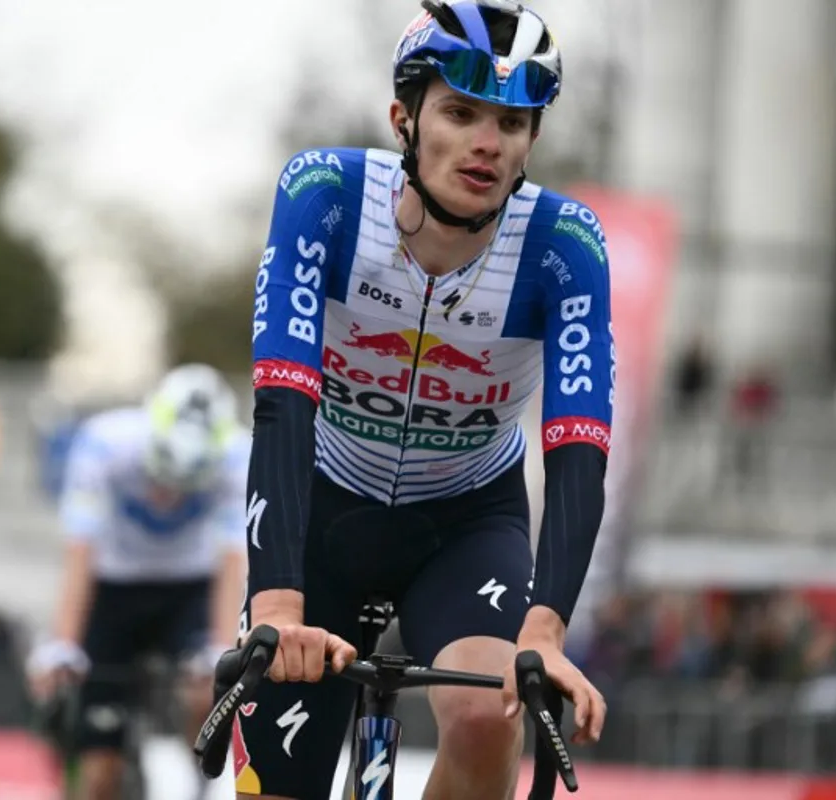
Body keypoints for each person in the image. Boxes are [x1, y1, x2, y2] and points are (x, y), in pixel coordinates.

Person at [237, 2, 613, 797]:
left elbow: (580, 449)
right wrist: (276, 604)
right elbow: (282, 405)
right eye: (461, 112)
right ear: (403, 119)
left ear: (531, 140)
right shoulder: (326, 194)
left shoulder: (564, 245)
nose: (488, 142)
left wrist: (545, 630)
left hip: (467, 521)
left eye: (512, 122)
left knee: (489, 714)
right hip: (325, 508)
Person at [26, 363, 249, 800]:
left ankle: (199, 780)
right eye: (160, 479)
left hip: (190, 587)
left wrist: (220, 649)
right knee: (99, 774)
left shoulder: (240, 455)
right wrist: (63, 642)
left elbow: (233, 557)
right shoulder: (103, 442)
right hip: (113, 588)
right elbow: (80, 550)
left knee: (207, 691)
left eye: (184, 488)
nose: (168, 498)